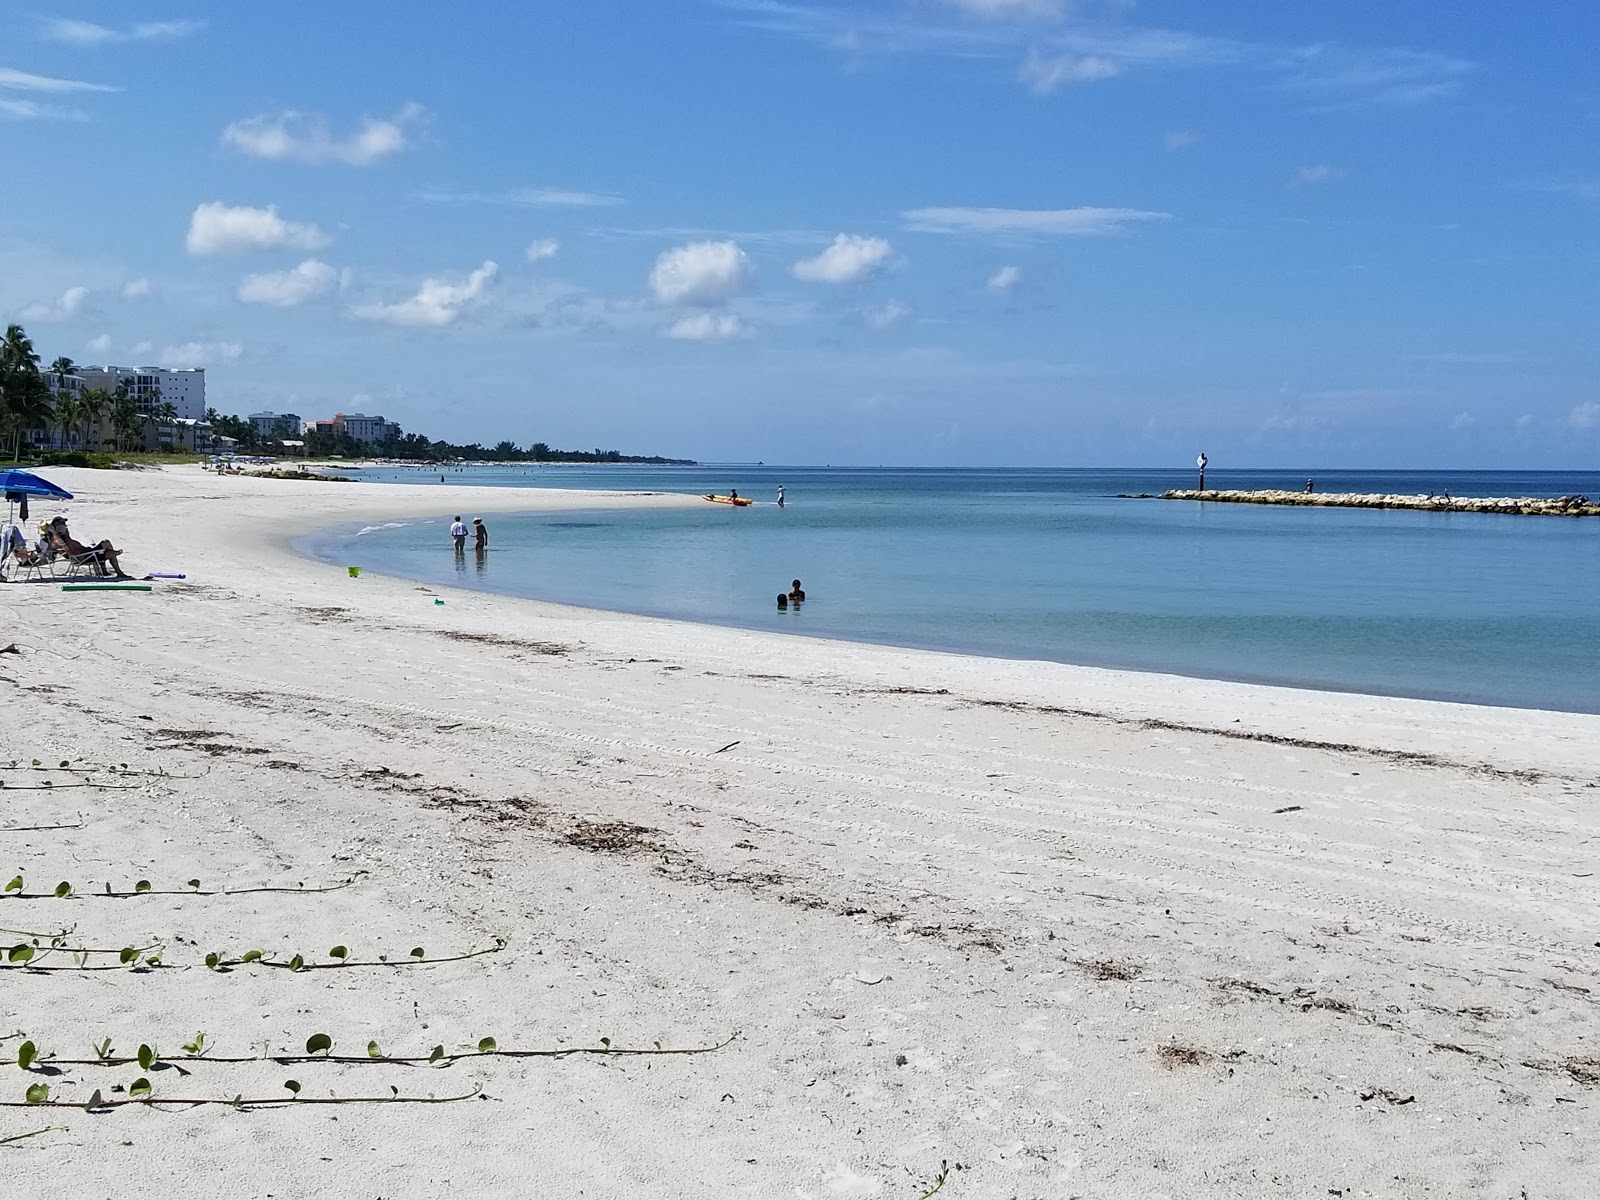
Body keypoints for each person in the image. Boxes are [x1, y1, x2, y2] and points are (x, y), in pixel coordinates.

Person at [46, 516, 124, 577]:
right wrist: (56, 532)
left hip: (85, 555)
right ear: (57, 526)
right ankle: (116, 572)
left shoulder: (59, 539)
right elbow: (70, 548)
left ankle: (106, 571)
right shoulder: (61, 539)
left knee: (106, 549)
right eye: (62, 523)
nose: (65, 526)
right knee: (106, 543)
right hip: (86, 557)